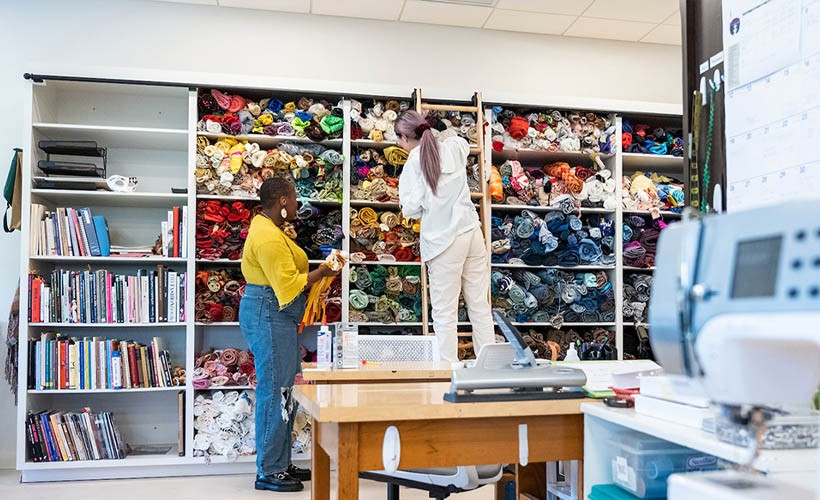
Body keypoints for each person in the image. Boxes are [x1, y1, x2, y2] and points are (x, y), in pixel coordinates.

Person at [240, 176, 340, 492]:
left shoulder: (270, 230)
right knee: (274, 391)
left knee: (286, 390)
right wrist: (323, 272)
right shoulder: (267, 237)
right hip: (268, 314)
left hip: (274, 315)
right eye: (294, 198)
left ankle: (280, 463)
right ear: (282, 200)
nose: (298, 204)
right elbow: (287, 285)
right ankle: (269, 470)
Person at [395, 110, 495, 362]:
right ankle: (490, 369)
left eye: (398, 138)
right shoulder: (451, 148)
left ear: (405, 138)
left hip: (443, 242)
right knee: (480, 307)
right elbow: (462, 142)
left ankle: (447, 373)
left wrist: (427, 192)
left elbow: (410, 208)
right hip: (471, 233)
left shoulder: (414, 163)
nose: (398, 143)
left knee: (445, 312)